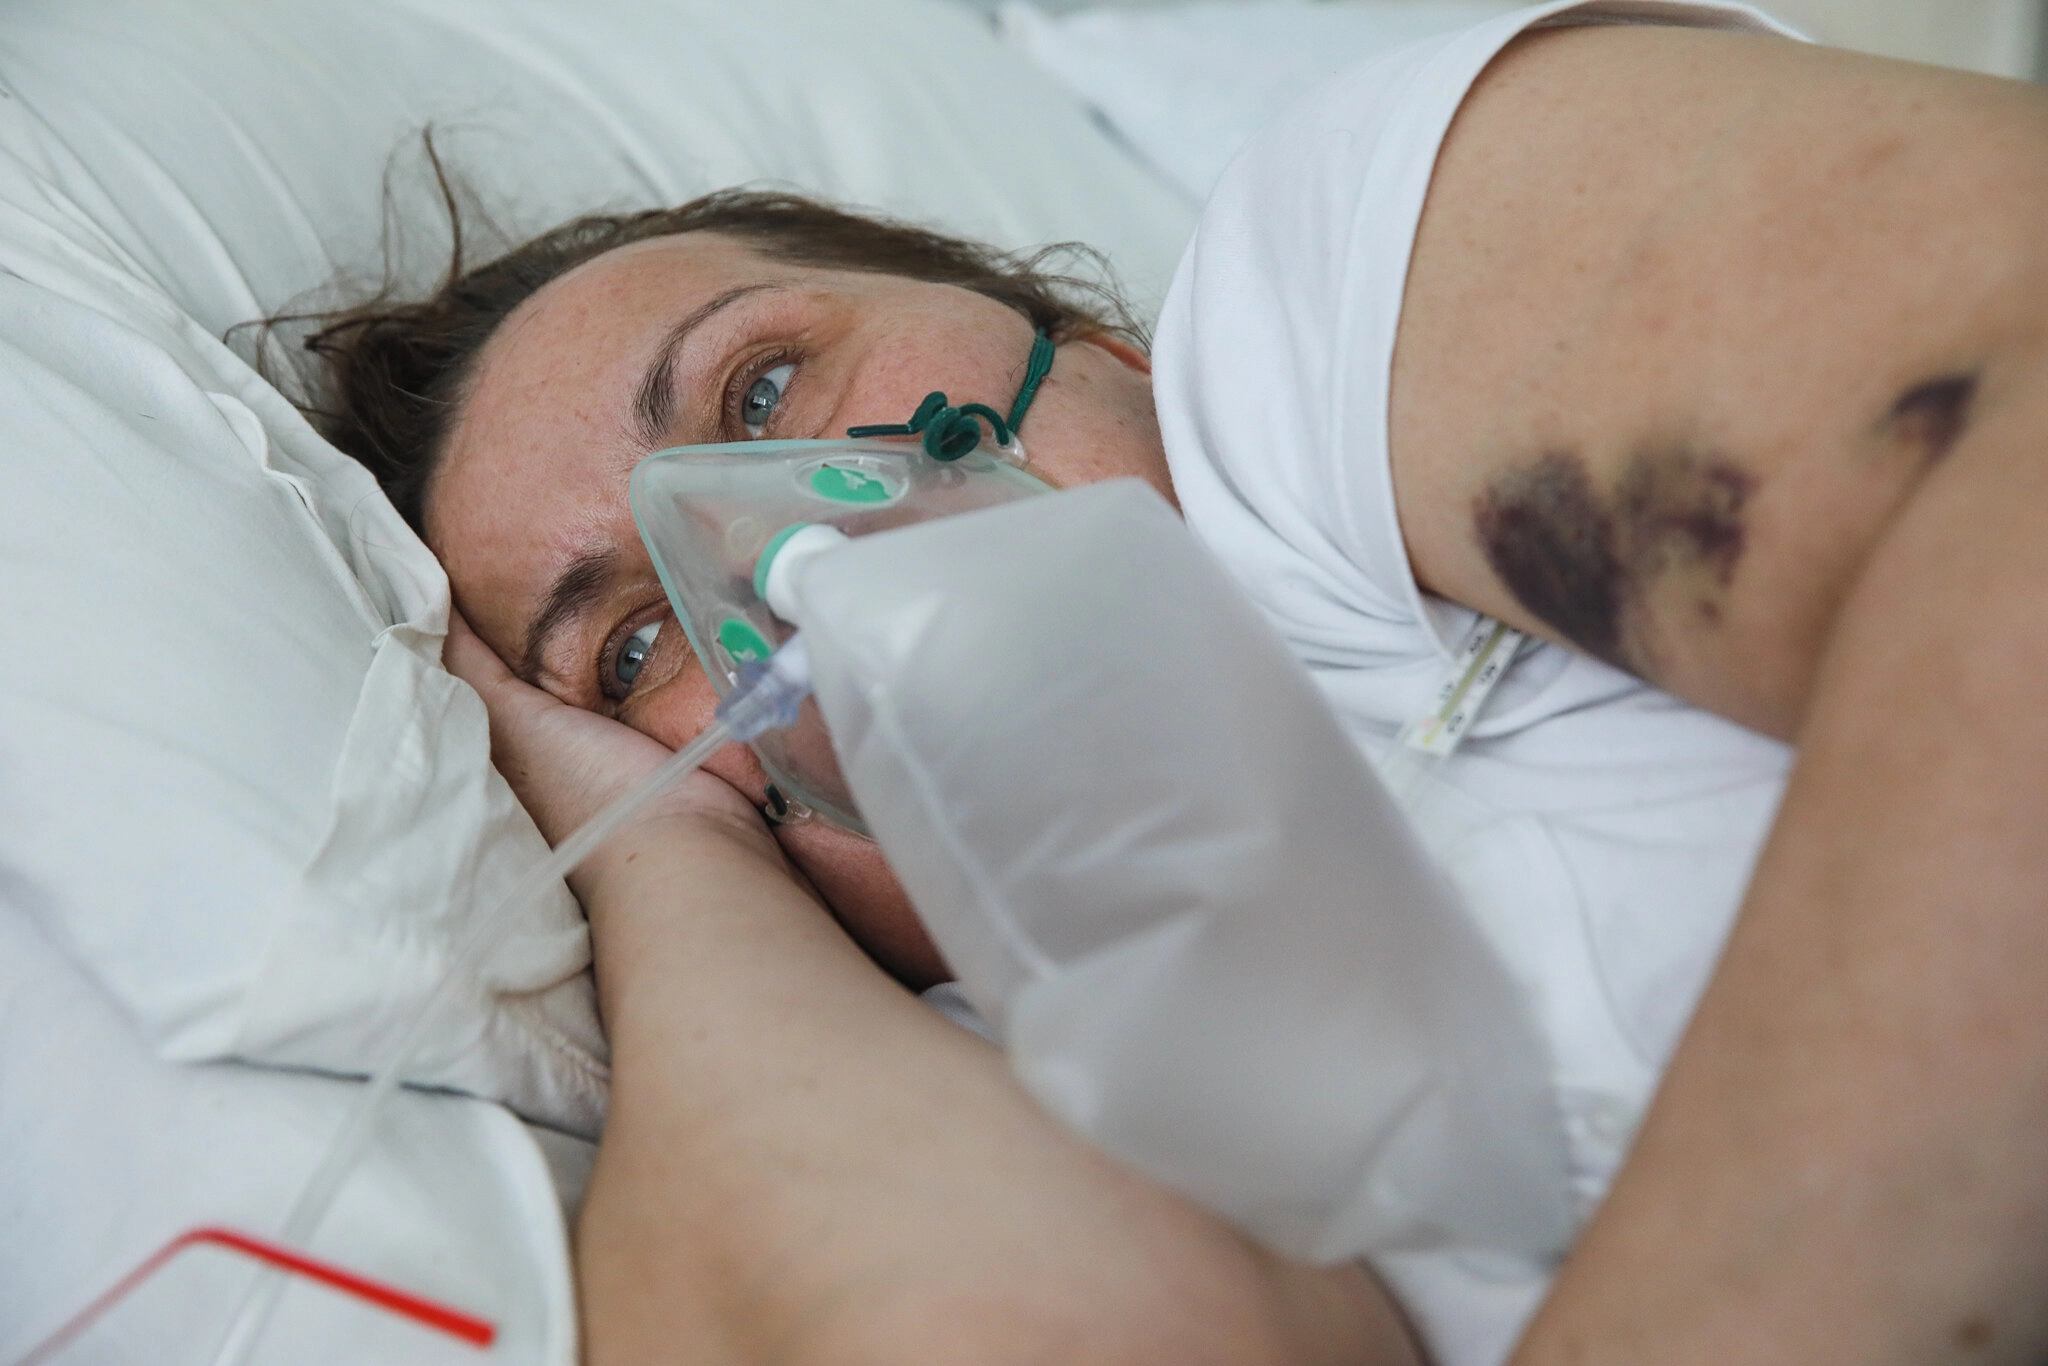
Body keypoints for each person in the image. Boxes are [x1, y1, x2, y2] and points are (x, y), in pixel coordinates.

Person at [296, 2, 2048, 1363]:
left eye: (760, 397)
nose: (752, 554)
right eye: (629, 643)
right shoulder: (961, 1084)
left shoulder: (1317, 345)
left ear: (1092, 342)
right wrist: (660, 862)